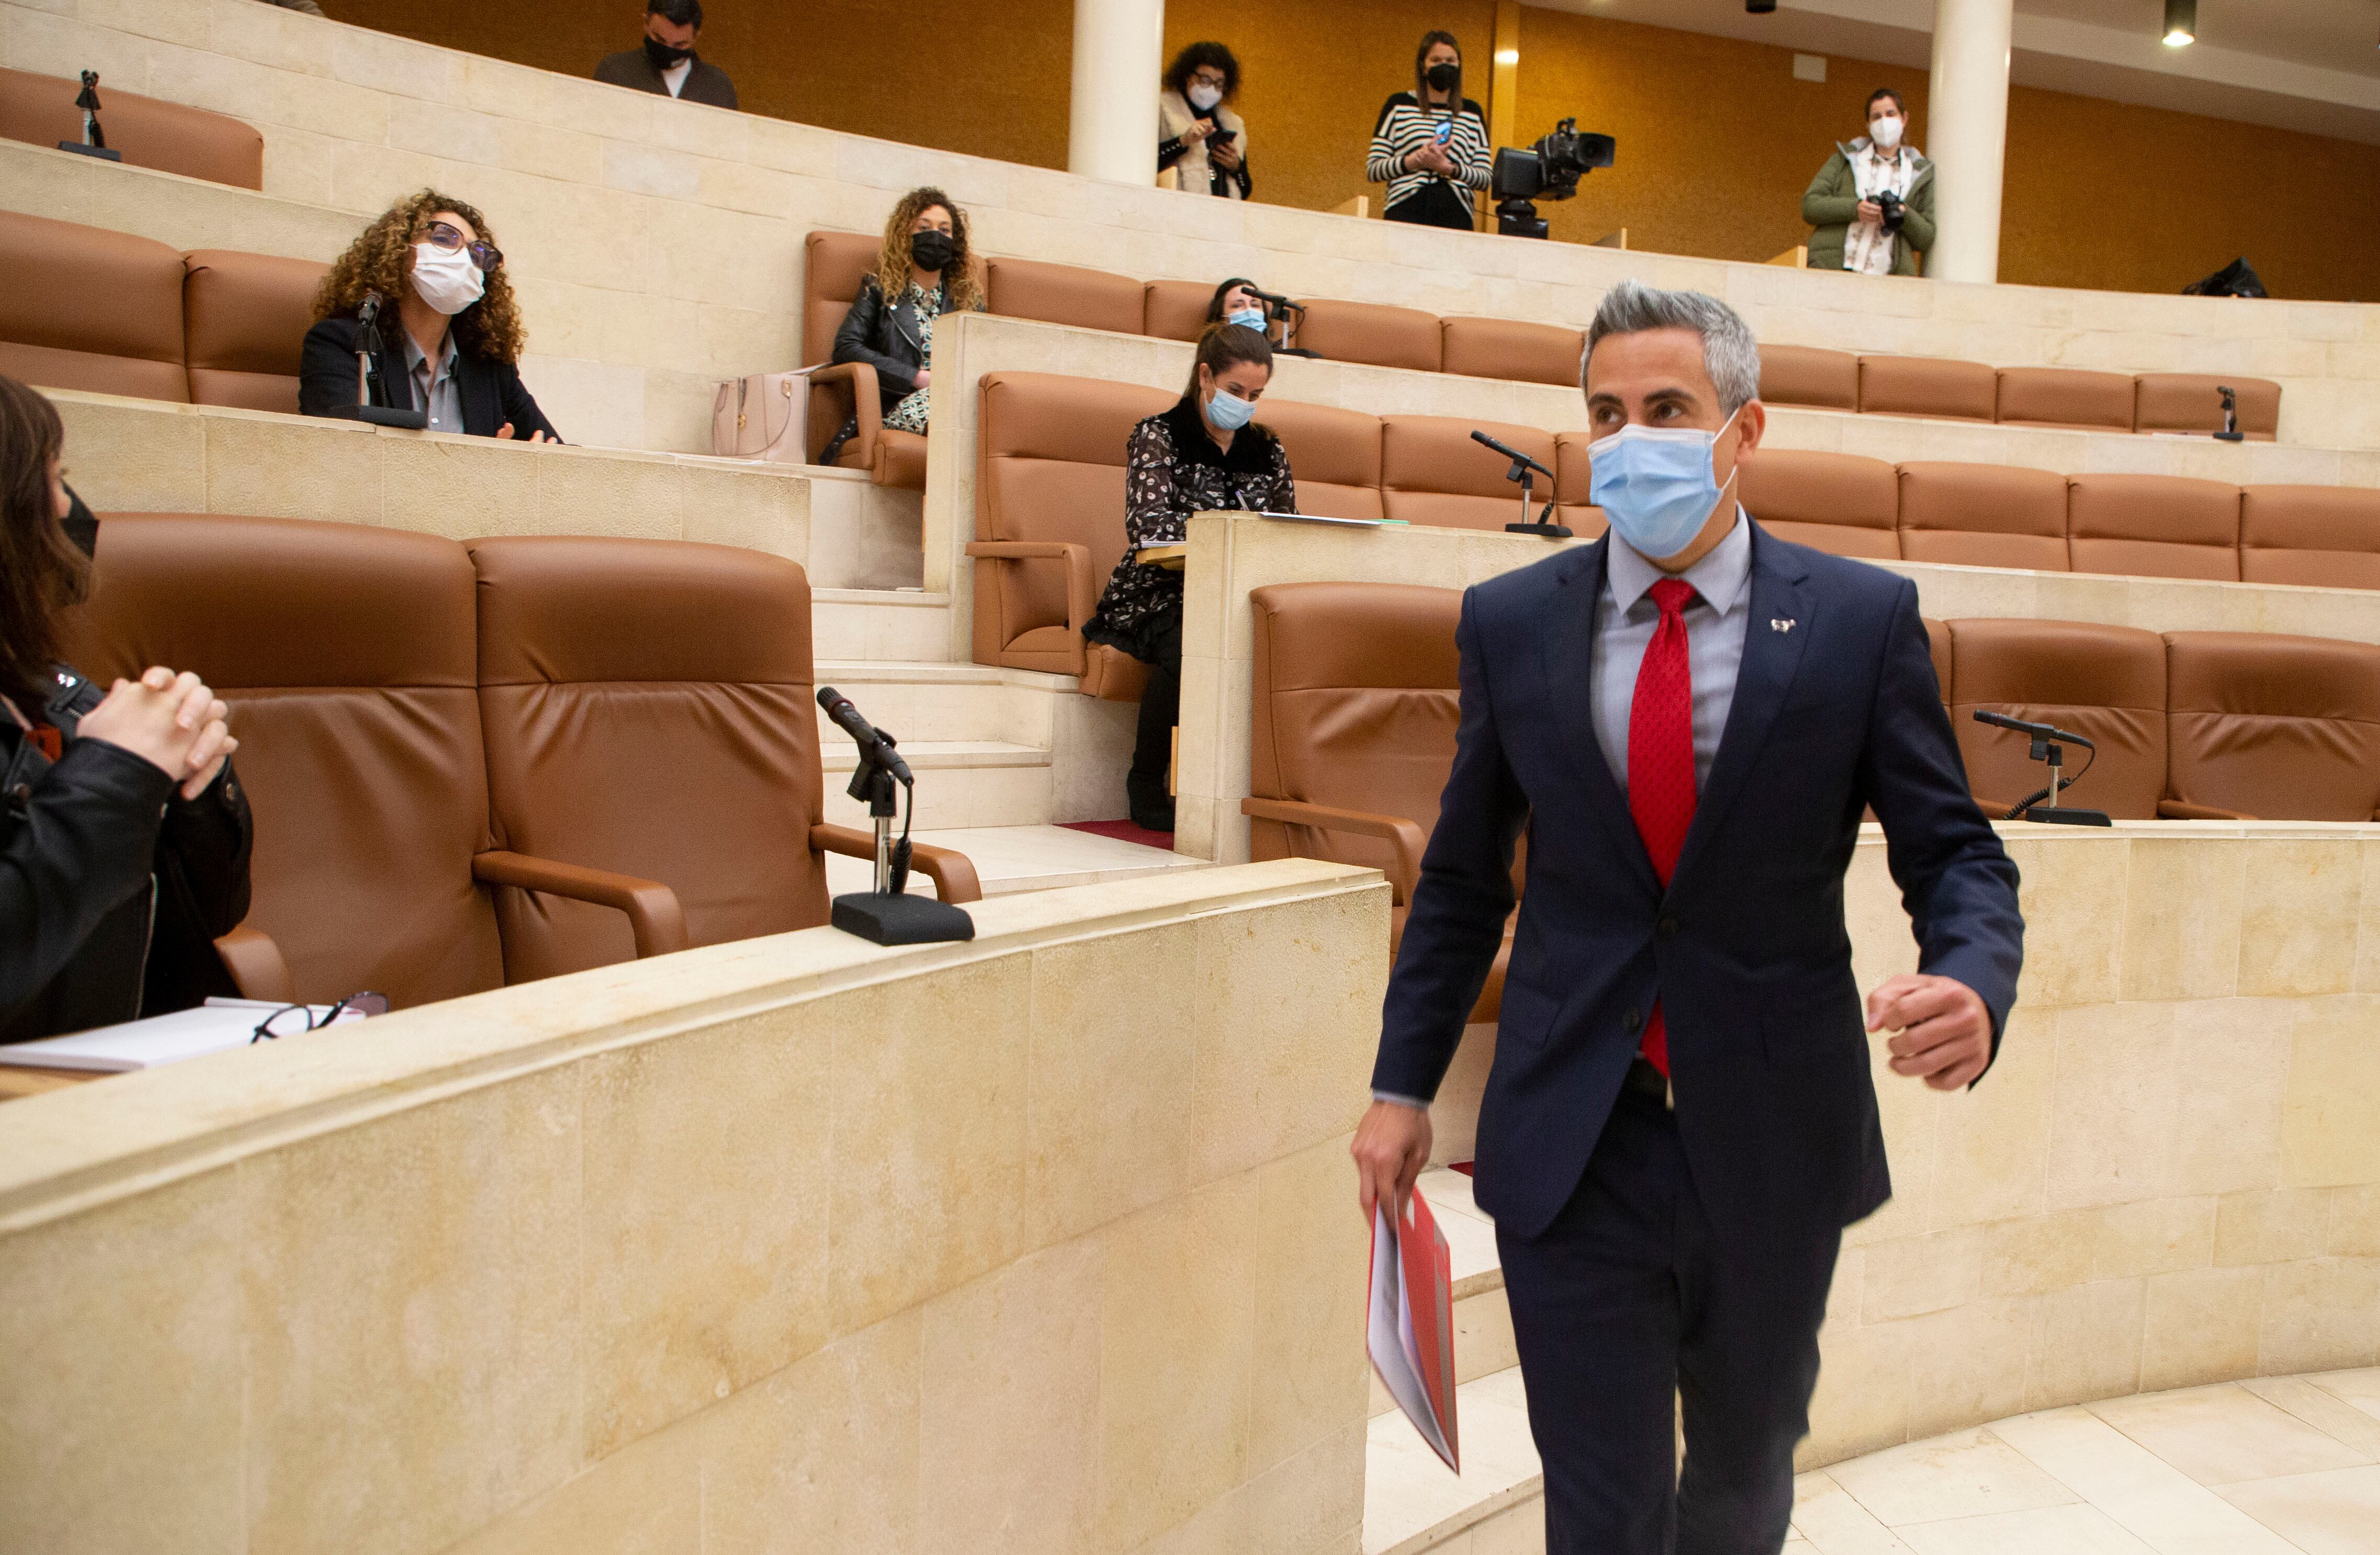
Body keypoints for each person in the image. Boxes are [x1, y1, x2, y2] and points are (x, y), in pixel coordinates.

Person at [1352, 281, 2022, 1554]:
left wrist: (1972, 980)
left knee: (1738, 1488)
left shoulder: (1859, 622)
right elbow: (1461, 879)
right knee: (1599, 1509)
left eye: (1666, 409)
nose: (1629, 439)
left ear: (1742, 428)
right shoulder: (1511, 622)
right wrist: (1401, 1085)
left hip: (1770, 1136)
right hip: (1573, 1134)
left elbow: (1953, 853)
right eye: (1605, 414)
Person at [0, 374, 252, 1044]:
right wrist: (116, 772)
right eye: (53, 479)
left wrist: (197, 788)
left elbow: (217, 910)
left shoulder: (53, 691)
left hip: (121, 1059)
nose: (68, 509)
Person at [1086, 324, 1295, 833]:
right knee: (1190, 645)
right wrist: (1227, 533)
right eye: (1235, 390)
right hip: (1160, 590)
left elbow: (1287, 529)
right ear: (1205, 376)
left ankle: (1268, 788)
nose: (1244, 404)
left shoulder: (1268, 448)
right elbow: (1148, 528)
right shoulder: (1159, 435)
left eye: (1255, 396)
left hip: (1237, 589)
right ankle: (1145, 780)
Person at [300, 190, 561, 443]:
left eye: (477, 254)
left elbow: (560, 454)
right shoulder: (342, 343)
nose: (464, 260)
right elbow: (337, 451)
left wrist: (529, 460)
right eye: (445, 239)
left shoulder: (490, 367)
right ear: (400, 250)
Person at [828, 187, 986, 445]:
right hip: (898, 403)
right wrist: (914, 377)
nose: (935, 236)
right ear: (905, 236)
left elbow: (987, 356)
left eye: (944, 230)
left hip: (957, 401)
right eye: (924, 228)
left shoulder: (967, 299)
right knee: (955, 419)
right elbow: (847, 348)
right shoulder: (879, 289)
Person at [1801, 88, 1936, 277]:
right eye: (1877, 117)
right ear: (1868, 124)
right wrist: (1855, 209)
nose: (1884, 122)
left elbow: (1927, 237)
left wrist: (1903, 213)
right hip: (1833, 269)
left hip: (1887, 279)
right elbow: (1810, 205)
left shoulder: (1919, 172)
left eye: (1891, 114)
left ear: (1904, 119)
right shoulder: (1846, 159)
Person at [1366, 32, 1492, 231]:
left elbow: (1485, 178)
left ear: (1459, 66)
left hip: (1456, 214)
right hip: (1405, 209)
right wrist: (1415, 160)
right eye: (1436, 60)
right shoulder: (1398, 105)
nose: (1444, 65)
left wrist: (1448, 168)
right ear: (1423, 66)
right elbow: (1374, 169)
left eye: (1450, 61)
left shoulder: (1472, 112)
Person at [593, 0, 738, 109]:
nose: (668, 50)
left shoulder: (718, 87)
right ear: (646, 23)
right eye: (659, 40)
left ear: (695, 37)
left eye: (680, 45)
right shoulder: (615, 72)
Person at [1158, 42, 1251, 201]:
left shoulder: (1232, 124)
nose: (1211, 89)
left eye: (1219, 84)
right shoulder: (1164, 110)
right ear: (1188, 76)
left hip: (1223, 211)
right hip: (1177, 206)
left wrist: (1237, 167)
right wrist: (1183, 142)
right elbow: (1146, 164)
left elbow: (1246, 189)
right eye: (1205, 80)